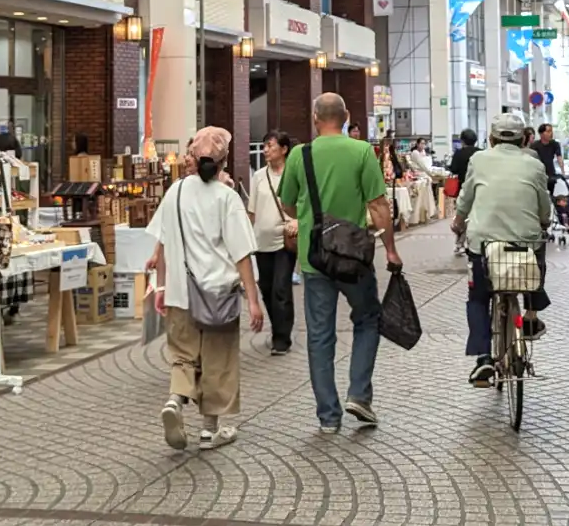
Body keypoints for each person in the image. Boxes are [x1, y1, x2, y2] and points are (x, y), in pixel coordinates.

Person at [279, 92, 399, 433]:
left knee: (319, 336)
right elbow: (378, 207)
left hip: (315, 259)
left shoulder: (301, 155)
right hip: (355, 259)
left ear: (315, 118)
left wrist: (308, 213)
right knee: (368, 319)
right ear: (346, 116)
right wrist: (390, 249)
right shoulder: (362, 151)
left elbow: (288, 206)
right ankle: (359, 394)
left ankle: (328, 417)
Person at [146, 126, 262, 451]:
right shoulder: (227, 198)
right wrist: (253, 301)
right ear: (224, 161)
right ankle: (211, 430)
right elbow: (241, 255)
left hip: (181, 294)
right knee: (218, 362)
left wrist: (161, 288)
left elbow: (165, 244)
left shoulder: (176, 192)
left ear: (193, 157)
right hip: (218, 296)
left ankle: (174, 400)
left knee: (183, 356)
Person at [451, 112, 552, 386]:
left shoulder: (479, 160)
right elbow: (544, 203)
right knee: (536, 259)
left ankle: (483, 359)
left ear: (491, 138)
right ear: (524, 140)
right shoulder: (534, 164)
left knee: (478, 298)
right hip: (524, 243)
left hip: (484, 244)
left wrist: (458, 223)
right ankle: (531, 311)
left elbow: (466, 197)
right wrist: (545, 221)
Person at [249, 130, 297, 355]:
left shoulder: (294, 173)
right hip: (261, 242)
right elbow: (252, 212)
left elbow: (303, 205)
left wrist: (296, 222)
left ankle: (282, 338)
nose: (266, 150)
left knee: (281, 288)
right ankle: (278, 328)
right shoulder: (258, 176)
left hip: (284, 242)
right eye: (264, 145)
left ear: (284, 149)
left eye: (270, 145)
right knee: (267, 289)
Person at [448, 129, 480, 255]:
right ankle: (472, 242)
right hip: (478, 189)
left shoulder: (458, 154)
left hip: (463, 188)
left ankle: (460, 243)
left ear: (462, 141)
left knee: (461, 216)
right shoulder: (480, 153)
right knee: (475, 216)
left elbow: (454, 169)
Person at [533, 123, 562, 196]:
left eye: (551, 131)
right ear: (541, 134)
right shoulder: (534, 145)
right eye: (548, 131)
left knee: (550, 195)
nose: (551, 133)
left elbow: (559, 157)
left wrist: (563, 171)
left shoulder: (555, 144)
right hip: (538, 174)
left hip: (550, 173)